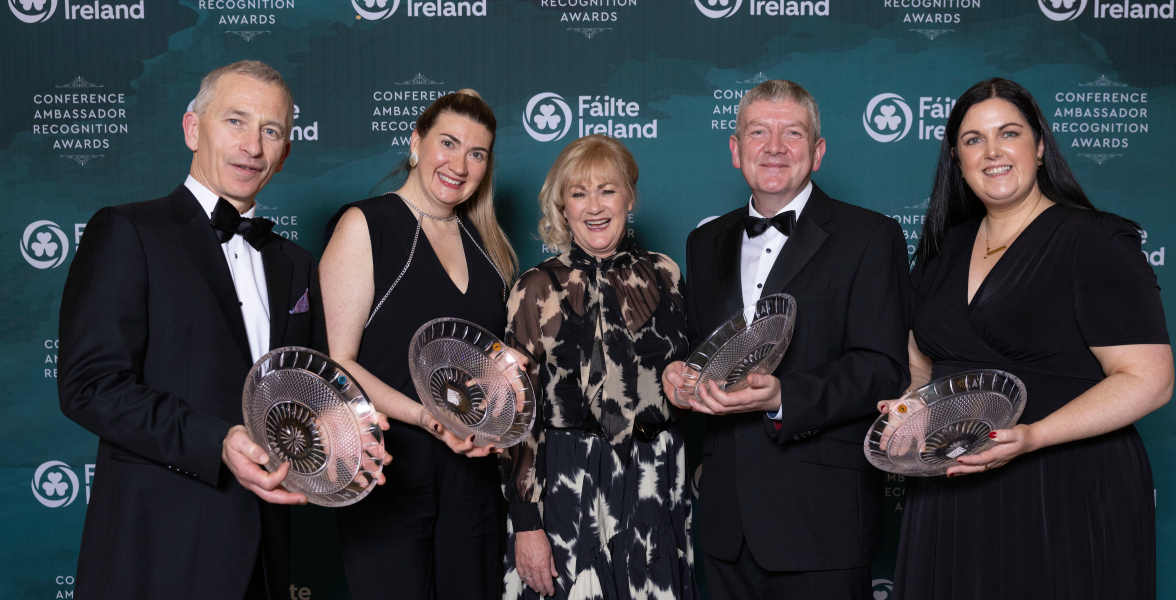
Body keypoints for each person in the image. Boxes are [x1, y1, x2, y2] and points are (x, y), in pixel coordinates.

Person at [57, 60, 347, 600]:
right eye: (235, 121)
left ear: (285, 152)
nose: (252, 147)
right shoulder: (128, 231)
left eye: (271, 131)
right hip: (159, 549)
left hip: (265, 554)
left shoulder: (297, 264)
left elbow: (306, 393)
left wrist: (350, 437)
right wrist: (218, 441)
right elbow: (89, 387)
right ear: (193, 128)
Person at [880, 78, 1173, 600]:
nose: (992, 152)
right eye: (973, 140)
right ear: (957, 158)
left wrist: (1034, 436)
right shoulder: (943, 249)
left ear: (1039, 147)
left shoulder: (1096, 240)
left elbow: (1149, 380)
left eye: (1008, 133)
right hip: (955, 486)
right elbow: (922, 363)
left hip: (1065, 484)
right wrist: (912, 406)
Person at [661, 79, 910, 600]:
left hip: (822, 522)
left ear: (817, 153)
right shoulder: (705, 242)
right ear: (735, 150)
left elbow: (882, 368)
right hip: (727, 525)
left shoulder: (870, 236)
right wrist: (679, 376)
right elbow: (706, 351)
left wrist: (783, 396)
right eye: (758, 132)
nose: (774, 147)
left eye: (792, 133)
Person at [321, 89, 517, 600]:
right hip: (388, 473)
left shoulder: (487, 243)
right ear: (415, 142)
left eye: (477, 153)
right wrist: (425, 416)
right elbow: (337, 363)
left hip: (471, 479)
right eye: (448, 143)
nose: (460, 164)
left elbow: (488, 362)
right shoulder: (366, 225)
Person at [501, 134, 694, 599]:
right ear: (561, 206)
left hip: (655, 473)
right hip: (569, 482)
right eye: (578, 192)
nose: (595, 206)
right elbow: (514, 417)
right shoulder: (534, 288)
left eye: (607, 190)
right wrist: (527, 523)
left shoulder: (666, 274)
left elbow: (687, 375)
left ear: (629, 196)